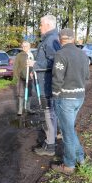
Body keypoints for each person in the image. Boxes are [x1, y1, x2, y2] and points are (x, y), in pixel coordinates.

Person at [51, 29, 89, 175]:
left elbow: (57, 78)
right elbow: (86, 76)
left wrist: (55, 95)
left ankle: (69, 165)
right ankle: (80, 157)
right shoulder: (83, 54)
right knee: (70, 130)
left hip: (65, 98)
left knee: (67, 132)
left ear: (61, 40)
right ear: (73, 39)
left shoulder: (61, 54)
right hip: (80, 97)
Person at [27, 15, 61, 156]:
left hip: (47, 84)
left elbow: (56, 63)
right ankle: (53, 137)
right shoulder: (50, 39)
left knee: (48, 113)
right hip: (44, 81)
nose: (39, 27)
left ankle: (50, 145)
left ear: (47, 25)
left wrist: (35, 65)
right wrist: (35, 70)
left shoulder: (52, 40)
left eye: (41, 24)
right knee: (50, 113)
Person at [13, 41, 35, 116]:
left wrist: (34, 73)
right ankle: (20, 110)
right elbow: (15, 66)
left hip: (30, 77)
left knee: (29, 93)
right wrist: (16, 76)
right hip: (21, 78)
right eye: (23, 46)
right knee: (21, 94)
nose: (24, 47)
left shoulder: (32, 54)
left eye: (26, 46)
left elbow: (35, 65)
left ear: (29, 46)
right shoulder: (19, 55)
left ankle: (28, 108)